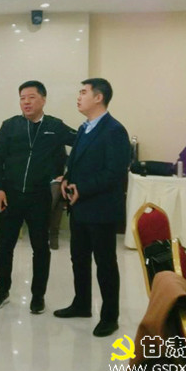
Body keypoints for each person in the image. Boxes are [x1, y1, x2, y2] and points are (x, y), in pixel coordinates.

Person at [0, 80, 76, 313]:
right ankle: (1, 290)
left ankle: (38, 296)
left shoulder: (55, 126)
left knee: (40, 247)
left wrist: (69, 174)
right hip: (10, 195)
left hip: (39, 196)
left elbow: (81, 144)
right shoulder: (10, 125)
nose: (26, 102)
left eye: (31, 97)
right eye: (22, 98)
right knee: (4, 245)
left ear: (43, 99)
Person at [55, 78, 130, 338]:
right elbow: (75, 161)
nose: (79, 97)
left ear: (99, 97)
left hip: (101, 208)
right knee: (79, 258)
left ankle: (110, 317)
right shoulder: (84, 127)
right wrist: (66, 179)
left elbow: (115, 172)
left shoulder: (114, 130)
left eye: (83, 92)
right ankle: (82, 304)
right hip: (79, 207)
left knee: (105, 263)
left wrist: (82, 188)